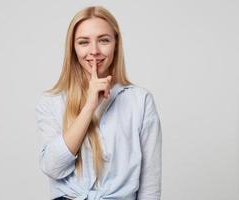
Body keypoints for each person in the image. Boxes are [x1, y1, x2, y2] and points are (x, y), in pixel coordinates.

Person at [35, 6, 162, 200]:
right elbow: (52, 167)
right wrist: (89, 107)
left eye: (103, 40)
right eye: (84, 42)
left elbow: (150, 184)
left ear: (116, 44)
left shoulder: (140, 101)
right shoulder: (52, 101)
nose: (94, 51)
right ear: (73, 48)